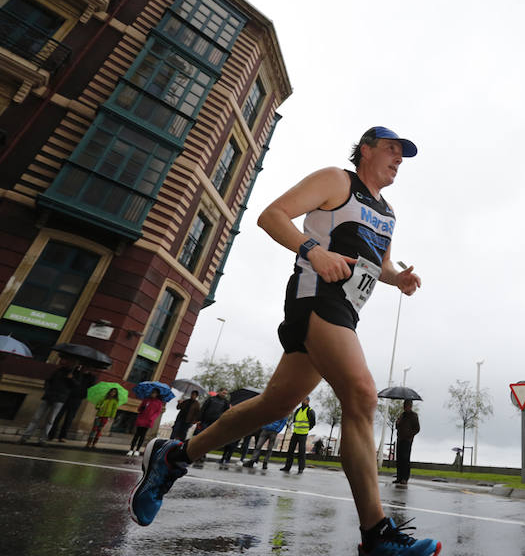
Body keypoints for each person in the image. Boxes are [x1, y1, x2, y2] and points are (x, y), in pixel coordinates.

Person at [129, 126, 440, 555]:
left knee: (274, 404)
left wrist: (398, 279)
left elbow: (378, 264)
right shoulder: (337, 180)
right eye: (391, 149)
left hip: (346, 311)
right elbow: (272, 215)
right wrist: (313, 250)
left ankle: (175, 456)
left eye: (403, 154)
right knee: (362, 393)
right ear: (365, 150)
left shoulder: (388, 213)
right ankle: (376, 535)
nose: (398, 158)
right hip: (316, 298)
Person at [19, 362, 77, 446]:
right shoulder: (58, 371)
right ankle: (25, 436)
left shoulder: (75, 374)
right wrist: (47, 389)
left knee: (50, 420)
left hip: (60, 399)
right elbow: (49, 380)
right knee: (36, 417)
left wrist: (71, 379)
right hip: (49, 396)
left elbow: (76, 386)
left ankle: (42, 439)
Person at [49, 365, 95, 443]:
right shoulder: (74, 372)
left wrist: (82, 396)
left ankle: (62, 436)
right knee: (58, 416)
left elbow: (90, 388)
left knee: (69, 418)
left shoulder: (91, 377)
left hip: (77, 399)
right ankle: (51, 434)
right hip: (66, 395)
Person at [191, 388, 230, 467]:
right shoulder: (211, 399)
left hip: (215, 423)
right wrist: (199, 419)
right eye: (223, 392)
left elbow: (226, 413)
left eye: (225, 393)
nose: (224, 394)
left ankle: (203, 454)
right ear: (219, 392)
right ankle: (197, 453)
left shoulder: (226, 402)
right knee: (202, 437)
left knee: (209, 439)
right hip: (205, 421)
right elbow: (203, 409)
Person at [280, 397, 316, 473]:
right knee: (290, 450)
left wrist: (307, 429)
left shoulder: (310, 411)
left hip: (303, 434)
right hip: (295, 433)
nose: (303, 401)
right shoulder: (298, 410)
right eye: (302, 400)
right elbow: (295, 421)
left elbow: (313, 423)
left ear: (308, 401)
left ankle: (301, 468)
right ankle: (287, 467)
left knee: (301, 452)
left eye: (305, 400)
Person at [127, 388, 164, 456]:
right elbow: (139, 409)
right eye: (152, 392)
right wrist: (142, 408)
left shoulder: (159, 403)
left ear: (157, 394)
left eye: (155, 393)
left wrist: (151, 418)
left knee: (142, 436)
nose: (153, 394)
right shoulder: (146, 400)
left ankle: (137, 450)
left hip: (148, 421)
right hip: (141, 419)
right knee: (136, 435)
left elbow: (157, 412)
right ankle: (131, 449)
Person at [393, 400, 420, 485]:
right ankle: (399, 477)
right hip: (400, 438)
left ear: (410, 406)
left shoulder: (414, 416)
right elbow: (397, 426)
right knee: (399, 459)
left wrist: (410, 435)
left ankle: (405, 478)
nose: (405, 407)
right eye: (404, 405)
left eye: (407, 405)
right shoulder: (402, 415)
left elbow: (417, 428)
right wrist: (397, 422)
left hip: (407, 440)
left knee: (405, 459)